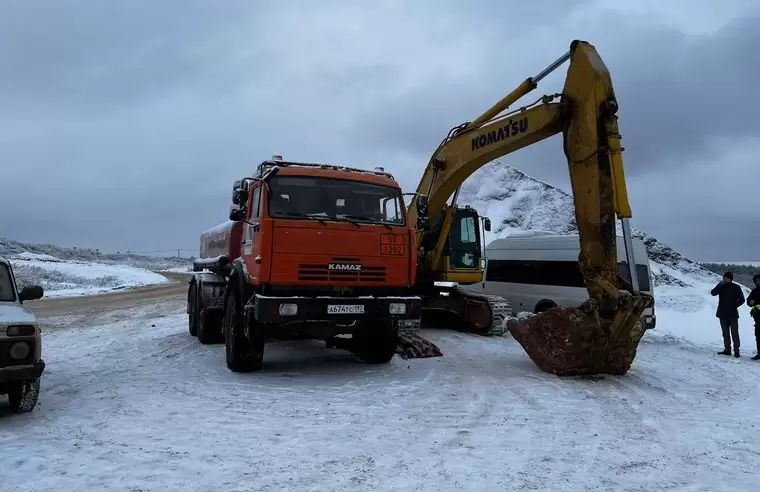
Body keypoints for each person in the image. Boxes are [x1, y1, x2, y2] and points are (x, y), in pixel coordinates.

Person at [710, 271, 746, 357]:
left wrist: (735, 305)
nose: (724, 279)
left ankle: (736, 351)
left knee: (734, 333)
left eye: (726, 278)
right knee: (725, 333)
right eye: (724, 278)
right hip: (722, 313)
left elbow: (742, 299)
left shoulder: (736, 287)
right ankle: (727, 349)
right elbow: (713, 293)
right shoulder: (721, 286)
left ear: (730, 278)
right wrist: (719, 285)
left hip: (733, 314)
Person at [748, 274, 760, 360]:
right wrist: (750, 302)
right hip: (758, 318)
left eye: (759, 280)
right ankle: (759, 353)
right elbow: (748, 300)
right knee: (758, 336)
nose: (758, 282)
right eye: (757, 281)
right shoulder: (754, 291)